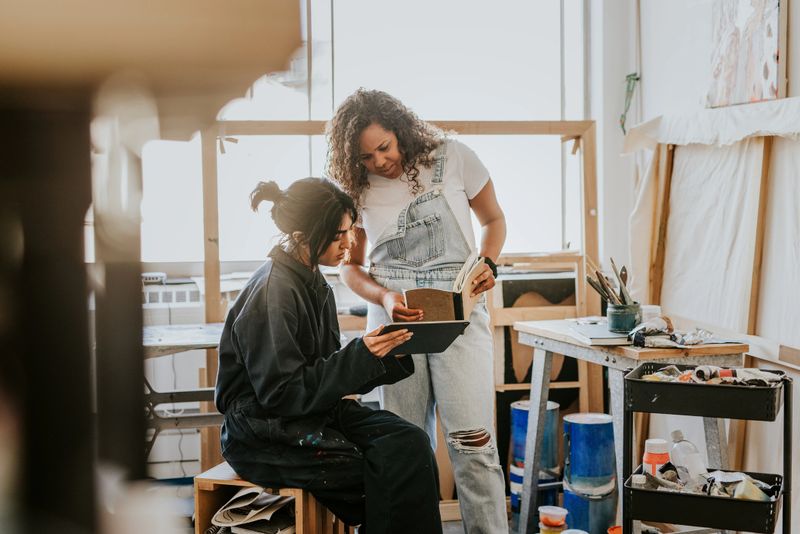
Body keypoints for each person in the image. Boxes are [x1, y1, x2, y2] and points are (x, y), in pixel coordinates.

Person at [215, 177, 443, 534]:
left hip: (309, 411)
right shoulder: (274, 292)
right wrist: (360, 355)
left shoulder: (313, 279)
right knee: (380, 471)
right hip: (262, 427)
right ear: (303, 236)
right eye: (339, 235)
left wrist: (381, 352)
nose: (350, 243)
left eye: (350, 231)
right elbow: (283, 395)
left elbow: (323, 373)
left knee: (410, 445)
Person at [327, 89, 509, 533]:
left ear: (400, 130)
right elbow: (349, 268)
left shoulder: (455, 157)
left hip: (458, 317)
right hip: (394, 326)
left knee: (473, 445)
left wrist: (487, 263)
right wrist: (384, 298)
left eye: (383, 147)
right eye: (365, 156)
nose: (379, 162)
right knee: (405, 449)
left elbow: (494, 222)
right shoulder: (357, 187)